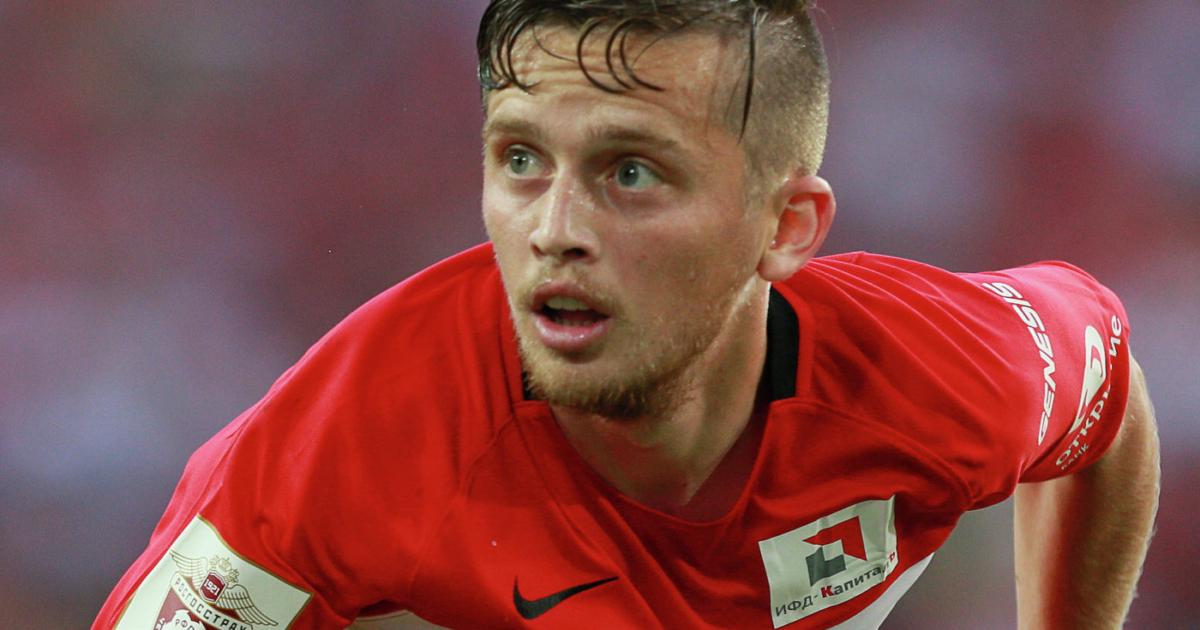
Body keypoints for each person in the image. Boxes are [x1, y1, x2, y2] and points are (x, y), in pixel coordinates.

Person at [94, 1, 1160, 628]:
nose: (554, 230)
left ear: (785, 226)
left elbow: (1106, 388)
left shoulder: (938, 373)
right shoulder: (336, 450)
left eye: (631, 172)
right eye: (521, 159)